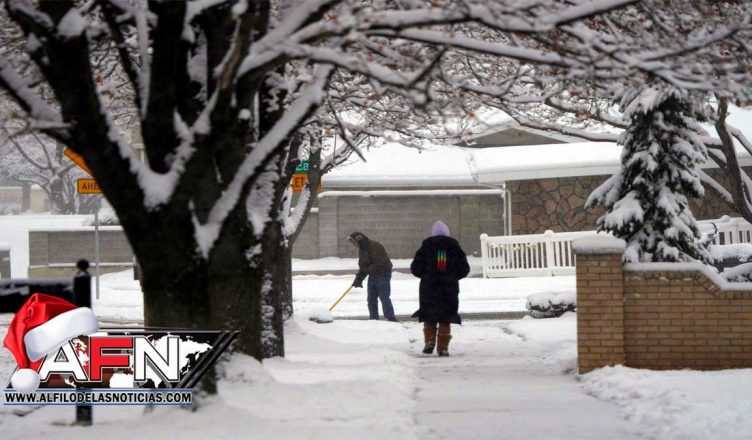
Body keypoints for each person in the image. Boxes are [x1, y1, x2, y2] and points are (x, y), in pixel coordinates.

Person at [410, 221, 470, 356]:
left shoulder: (425, 248)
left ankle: (429, 342)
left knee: (430, 315)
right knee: (445, 317)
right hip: (449, 288)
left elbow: (415, 268)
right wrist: (452, 276)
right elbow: (464, 269)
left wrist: (427, 275)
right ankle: (443, 348)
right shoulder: (455, 248)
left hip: (429, 288)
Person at [349, 231, 398, 321]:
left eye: (353, 242)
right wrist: (359, 279)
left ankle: (391, 318)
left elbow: (380, 262)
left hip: (383, 273)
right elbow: (363, 266)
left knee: (384, 296)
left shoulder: (375, 246)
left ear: (359, 239)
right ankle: (374, 319)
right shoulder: (362, 250)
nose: (353, 245)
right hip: (373, 274)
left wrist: (367, 270)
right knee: (371, 298)